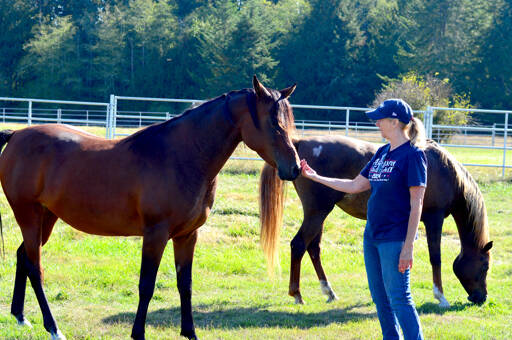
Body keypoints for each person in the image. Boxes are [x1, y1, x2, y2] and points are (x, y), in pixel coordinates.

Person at [301, 99, 426, 340]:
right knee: (380, 298)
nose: (377, 123)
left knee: (399, 298)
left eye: (380, 119)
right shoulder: (381, 153)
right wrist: (316, 177)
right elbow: (355, 185)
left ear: (395, 121)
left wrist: (408, 247)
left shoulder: (413, 156)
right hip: (372, 236)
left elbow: (416, 203)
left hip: (395, 238)